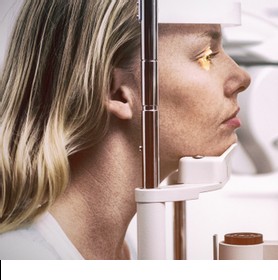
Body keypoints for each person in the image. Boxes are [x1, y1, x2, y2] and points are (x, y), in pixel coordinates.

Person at [0, 0, 251, 259]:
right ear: (118, 92)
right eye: (206, 56)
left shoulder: (125, 248)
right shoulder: (24, 259)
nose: (242, 78)